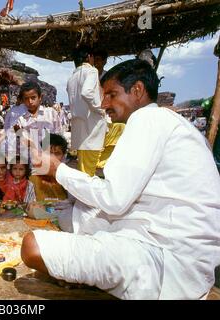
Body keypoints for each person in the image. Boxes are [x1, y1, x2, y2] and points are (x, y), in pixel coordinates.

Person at [21, 59, 220, 299]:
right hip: (186, 261)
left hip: (165, 265)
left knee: (32, 245)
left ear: (137, 91)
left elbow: (114, 199)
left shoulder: (148, 120)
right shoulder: (170, 123)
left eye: (111, 95)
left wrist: (58, 170)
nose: (104, 104)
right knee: (78, 216)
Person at [67, 46, 107, 176]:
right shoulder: (91, 71)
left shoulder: (72, 77)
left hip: (80, 130)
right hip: (92, 127)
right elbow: (87, 92)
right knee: (88, 170)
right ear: (89, 57)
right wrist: (101, 109)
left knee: (84, 169)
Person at [8, 82, 61, 160]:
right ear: (22, 100)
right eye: (26, 99)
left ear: (40, 97)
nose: (30, 102)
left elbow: (59, 137)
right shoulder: (19, 119)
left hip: (50, 161)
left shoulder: (51, 114)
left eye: (33, 98)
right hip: (29, 163)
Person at [29, 133, 68, 202]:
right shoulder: (32, 177)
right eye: (49, 153)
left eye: (57, 153)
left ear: (63, 156)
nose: (52, 157)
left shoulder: (67, 176)